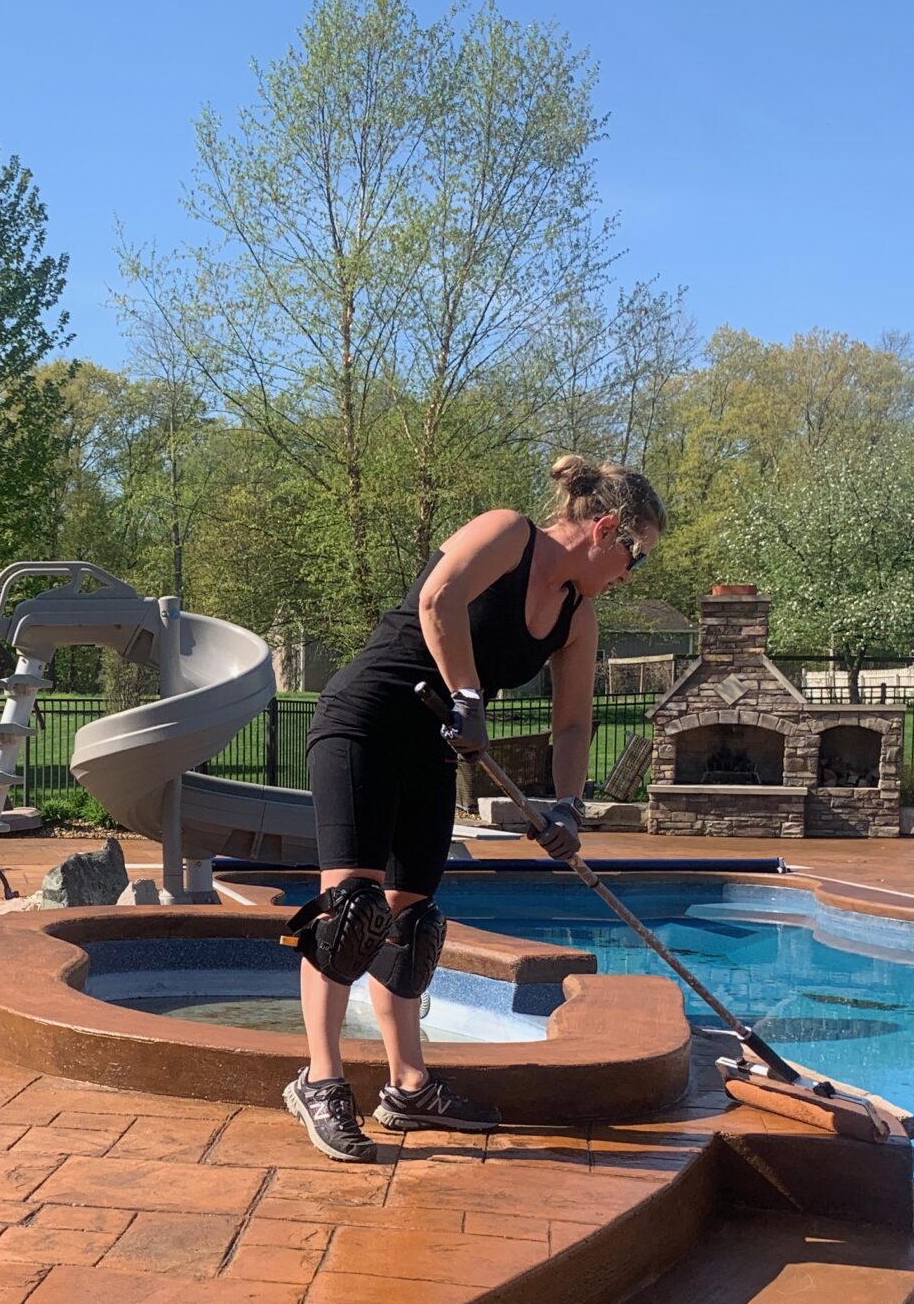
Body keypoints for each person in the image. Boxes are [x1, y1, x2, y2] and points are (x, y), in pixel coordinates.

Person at [283, 454, 667, 1162]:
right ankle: (321, 1079)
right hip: (364, 722)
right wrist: (468, 694)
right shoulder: (508, 533)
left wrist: (568, 808)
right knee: (348, 911)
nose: (628, 575)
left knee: (410, 921)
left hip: (432, 751)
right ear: (607, 529)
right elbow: (439, 598)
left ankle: (408, 1086)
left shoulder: (577, 618)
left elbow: (574, 724)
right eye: (635, 558)